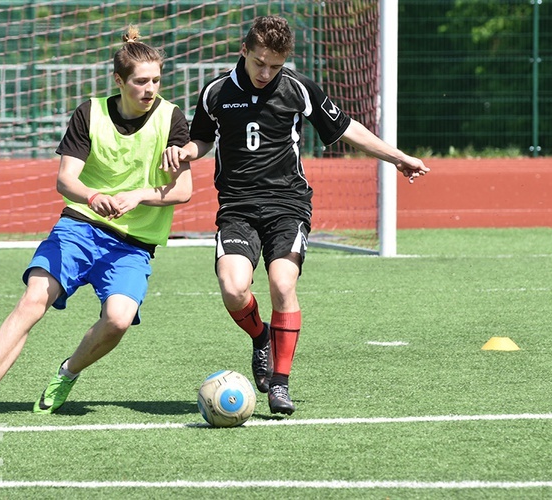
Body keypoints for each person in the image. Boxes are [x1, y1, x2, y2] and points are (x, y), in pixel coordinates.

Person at [162, 16, 429, 416]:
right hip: (236, 206)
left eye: (275, 65)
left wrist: (397, 158)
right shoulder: (215, 92)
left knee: (281, 282)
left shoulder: (298, 88)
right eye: (259, 63)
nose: (266, 73)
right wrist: (187, 151)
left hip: (288, 204)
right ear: (244, 52)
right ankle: (261, 337)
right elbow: (202, 138)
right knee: (234, 289)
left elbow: (346, 127)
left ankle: (280, 386)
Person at [0, 26, 192, 423]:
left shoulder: (171, 118)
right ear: (119, 81)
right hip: (79, 227)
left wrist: (139, 194)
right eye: (141, 81)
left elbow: (184, 190)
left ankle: (67, 372)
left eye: (156, 80)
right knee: (33, 301)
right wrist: (94, 197)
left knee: (118, 319)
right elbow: (66, 180)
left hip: (134, 244)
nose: (150, 89)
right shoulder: (90, 113)